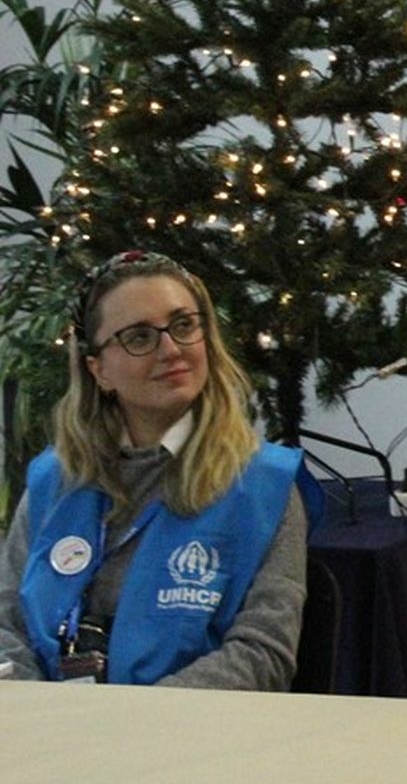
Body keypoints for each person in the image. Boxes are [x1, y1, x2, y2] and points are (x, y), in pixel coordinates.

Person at [0, 250, 309, 687]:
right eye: (140, 337)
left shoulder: (263, 486)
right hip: (52, 720)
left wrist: (137, 719)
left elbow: (263, 653)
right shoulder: (55, 479)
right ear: (99, 370)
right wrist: (44, 713)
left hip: (192, 723)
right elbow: (7, 626)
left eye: (183, 325)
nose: (171, 349)